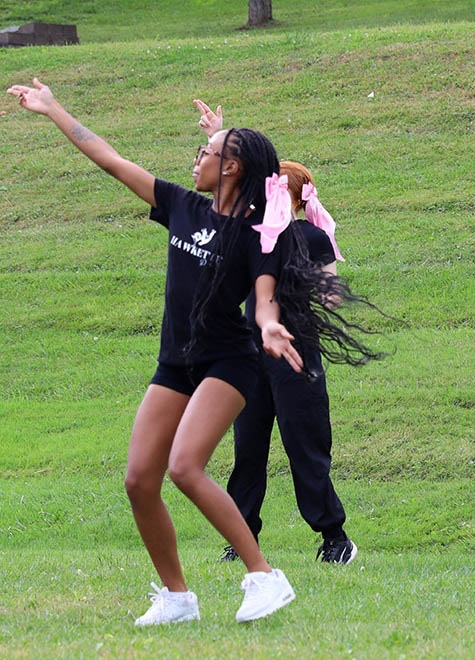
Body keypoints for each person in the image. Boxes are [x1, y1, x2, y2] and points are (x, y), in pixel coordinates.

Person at [6, 79, 376, 626]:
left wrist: (271, 328)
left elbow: (266, 301)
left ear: (230, 168)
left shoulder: (258, 236)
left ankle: (265, 576)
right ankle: (178, 598)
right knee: (138, 479)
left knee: (185, 466)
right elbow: (109, 158)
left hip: (229, 363)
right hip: (175, 361)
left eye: (206, 152)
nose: (196, 158)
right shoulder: (181, 206)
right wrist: (53, 108)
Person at [191, 101, 356, 565]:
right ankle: (241, 538)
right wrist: (219, 136)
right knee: (248, 449)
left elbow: (331, 298)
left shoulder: (311, 237)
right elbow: (223, 202)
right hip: (249, 353)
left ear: (293, 195)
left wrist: (312, 289)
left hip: (296, 354)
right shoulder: (251, 231)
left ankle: (334, 538)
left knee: (305, 444)